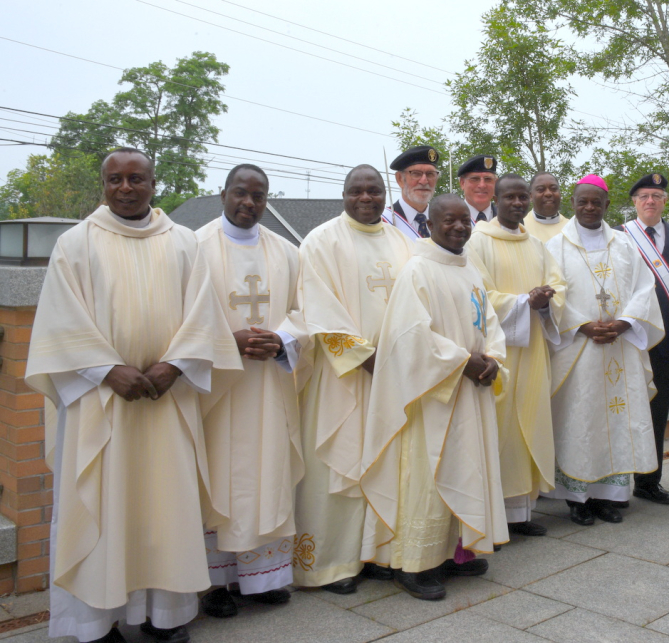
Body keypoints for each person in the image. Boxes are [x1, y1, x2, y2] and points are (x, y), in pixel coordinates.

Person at [25, 148, 241, 643]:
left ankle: (164, 616)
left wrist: (176, 364)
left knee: (167, 509)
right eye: (115, 179)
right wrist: (107, 370)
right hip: (102, 404)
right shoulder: (76, 243)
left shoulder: (184, 242)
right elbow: (61, 319)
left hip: (168, 400)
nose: (125, 188)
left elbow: (203, 314)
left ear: (153, 183)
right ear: (103, 184)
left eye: (135, 179)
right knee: (104, 506)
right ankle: (97, 622)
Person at [360, 193, 509, 600]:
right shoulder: (418, 271)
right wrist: (463, 362)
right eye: (450, 221)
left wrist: (493, 359)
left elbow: (490, 323)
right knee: (429, 473)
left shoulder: (469, 269)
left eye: (465, 221)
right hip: (434, 396)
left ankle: (451, 555)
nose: (460, 227)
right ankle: (414, 563)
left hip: (470, 391)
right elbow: (411, 337)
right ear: (430, 225)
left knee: (465, 468)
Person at [293, 165, 414, 595]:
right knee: (337, 465)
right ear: (343, 195)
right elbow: (316, 305)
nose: (366, 198)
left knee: (384, 461)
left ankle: (377, 552)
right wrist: (364, 355)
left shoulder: (402, 241)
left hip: (392, 373)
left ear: (384, 195)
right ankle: (331, 562)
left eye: (374, 191)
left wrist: (400, 356)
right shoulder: (321, 241)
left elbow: (418, 301)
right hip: (341, 376)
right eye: (357, 191)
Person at [195, 164, 308, 617]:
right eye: (240, 194)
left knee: (268, 475)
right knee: (219, 481)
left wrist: (282, 340)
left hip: (268, 388)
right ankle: (215, 583)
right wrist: (230, 342)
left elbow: (304, 311)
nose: (249, 203)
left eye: (258, 197)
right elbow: (181, 320)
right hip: (217, 394)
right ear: (223, 194)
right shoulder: (195, 247)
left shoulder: (286, 252)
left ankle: (262, 579)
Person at [546, 175, 664, 525]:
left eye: (596, 202)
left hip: (620, 346)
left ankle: (608, 495)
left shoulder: (625, 244)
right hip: (580, 349)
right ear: (573, 203)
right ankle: (578, 498)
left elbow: (646, 288)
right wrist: (581, 325)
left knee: (616, 417)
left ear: (607, 206)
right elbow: (552, 293)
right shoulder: (556, 247)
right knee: (582, 418)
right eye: (582, 201)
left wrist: (626, 321)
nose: (589, 207)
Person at [468, 173, 567, 538]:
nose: (518, 204)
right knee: (502, 430)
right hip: (499, 353)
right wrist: (525, 301)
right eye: (509, 197)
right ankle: (494, 514)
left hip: (534, 348)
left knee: (530, 423)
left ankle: (522, 512)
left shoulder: (537, 246)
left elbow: (559, 286)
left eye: (522, 197)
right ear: (495, 199)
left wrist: (545, 301)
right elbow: (478, 296)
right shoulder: (478, 242)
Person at [617, 172, 669, 505]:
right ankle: (618, 481)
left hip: (667, 341)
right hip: (631, 338)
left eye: (657, 196)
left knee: (659, 409)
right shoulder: (619, 236)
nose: (650, 201)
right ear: (634, 203)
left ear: (665, 202)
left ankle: (649, 482)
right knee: (623, 409)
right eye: (643, 196)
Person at [384, 145, 441, 239]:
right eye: (416, 174)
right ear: (400, 179)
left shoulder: (442, 221)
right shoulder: (384, 221)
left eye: (430, 174)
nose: (424, 181)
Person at [523, 172, 569, 242]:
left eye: (553, 189)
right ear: (531, 196)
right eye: (541, 189)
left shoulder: (571, 227)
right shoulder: (521, 228)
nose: (548, 193)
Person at [457, 154, 498, 223]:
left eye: (488, 179)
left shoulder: (509, 220)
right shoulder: (447, 219)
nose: (482, 185)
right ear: (462, 183)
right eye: (475, 179)